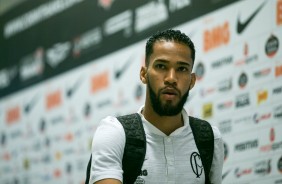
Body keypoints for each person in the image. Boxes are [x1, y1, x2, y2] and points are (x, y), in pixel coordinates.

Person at [89, 29, 224, 184]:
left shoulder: (209, 138)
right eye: (161, 66)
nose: (171, 78)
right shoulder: (114, 133)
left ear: (192, 81)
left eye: (182, 69)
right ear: (143, 74)